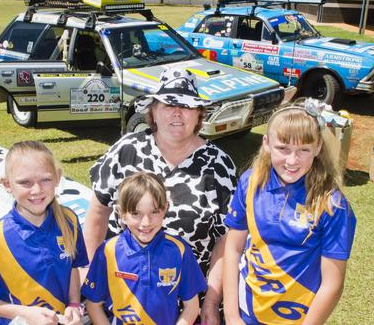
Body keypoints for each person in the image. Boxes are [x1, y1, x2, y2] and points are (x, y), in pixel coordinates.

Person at [84, 67, 237, 324]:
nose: (177, 113)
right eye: (168, 104)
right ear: (153, 111)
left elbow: (225, 241)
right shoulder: (126, 150)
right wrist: (92, 272)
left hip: (189, 304)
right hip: (124, 298)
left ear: (199, 114)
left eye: (187, 106)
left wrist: (210, 301)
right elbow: (97, 214)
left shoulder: (219, 165)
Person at [222, 98, 357, 325]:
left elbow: (332, 283)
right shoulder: (250, 183)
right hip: (245, 313)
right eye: (283, 148)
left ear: (318, 148)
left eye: (304, 150)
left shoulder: (332, 205)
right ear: (266, 143)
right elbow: (233, 249)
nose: (292, 161)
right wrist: (232, 315)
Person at [0, 141, 88, 325]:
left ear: (57, 178)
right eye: (25, 182)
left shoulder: (69, 220)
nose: (37, 190)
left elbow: (73, 267)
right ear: (7, 184)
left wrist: (74, 303)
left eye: (45, 179)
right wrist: (23, 313)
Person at [82, 172, 207, 325]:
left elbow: (192, 308)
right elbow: (93, 305)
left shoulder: (179, 250)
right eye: (136, 213)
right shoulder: (108, 251)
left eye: (154, 212)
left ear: (165, 208)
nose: (146, 222)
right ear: (122, 213)